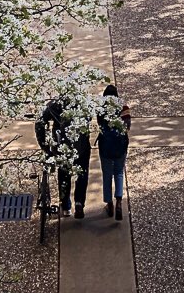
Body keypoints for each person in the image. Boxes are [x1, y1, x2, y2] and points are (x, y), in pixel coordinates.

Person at [35, 99, 91, 219]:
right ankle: (79, 203)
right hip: (81, 146)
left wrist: (44, 145)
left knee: (64, 175)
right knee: (82, 174)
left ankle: (66, 206)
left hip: (62, 147)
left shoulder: (55, 105)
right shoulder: (84, 102)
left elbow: (40, 121)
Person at [97, 84, 131, 221]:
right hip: (120, 146)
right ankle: (119, 202)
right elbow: (127, 126)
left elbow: (100, 124)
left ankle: (109, 203)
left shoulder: (101, 108)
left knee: (107, 174)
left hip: (105, 146)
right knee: (118, 172)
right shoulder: (123, 107)